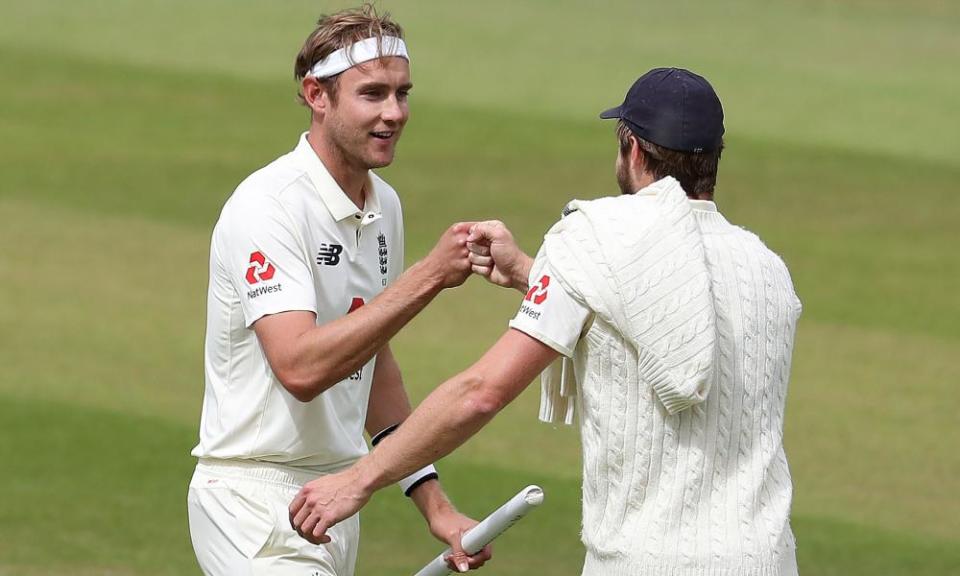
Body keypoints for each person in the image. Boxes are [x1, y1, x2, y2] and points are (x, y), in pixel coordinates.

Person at [289, 67, 804, 576]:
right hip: (768, 559)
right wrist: (533, 276)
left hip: (646, 563)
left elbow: (481, 391)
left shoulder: (594, 235)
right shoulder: (766, 268)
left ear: (633, 148)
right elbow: (664, 326)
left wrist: (356, 481)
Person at [187, 5, 492, 575]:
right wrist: (427, 278)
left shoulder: (385, 206)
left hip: (336, 501)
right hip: (254, 501)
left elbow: (373, 366)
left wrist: (437, 508)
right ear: (316, 95)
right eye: (372, 94)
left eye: (403, 94)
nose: (394, 113)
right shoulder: (268, 206)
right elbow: (300, 369)